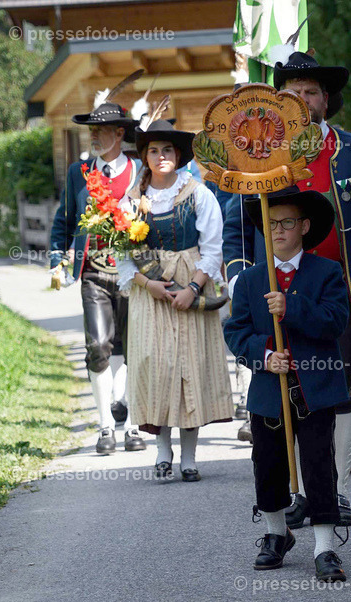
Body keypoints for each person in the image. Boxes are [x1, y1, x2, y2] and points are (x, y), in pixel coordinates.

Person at [223, 51, 351, 526]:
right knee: (283, 391)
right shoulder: (260, 153)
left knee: (339, 392)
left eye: (311, 92)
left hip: (339, 294)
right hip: (273, 291)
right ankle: (297, 492)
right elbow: (237, 224)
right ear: (278, 101)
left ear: (326, 100)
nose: (303, 100)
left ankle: (335, 490)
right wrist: (240, 274)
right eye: (293, 93)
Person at [223, 187, 349, 582]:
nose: (278, 230)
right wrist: (264, 356)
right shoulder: (249, 279)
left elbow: (335, 321)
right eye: (271, 223)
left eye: (287, 222)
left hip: (315, 389)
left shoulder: (327, 272)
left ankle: (325, 546)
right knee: (268, 463)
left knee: (318, 464)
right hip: (269, 390)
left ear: (305, 226)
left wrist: (290, 306)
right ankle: (277, 533)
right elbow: (236, 331)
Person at [117, 119, 232, 482]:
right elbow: (121, 256)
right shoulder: (130, 201)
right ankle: (162, 448)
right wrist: (147, 284)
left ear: (179, 155)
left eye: (167, 149)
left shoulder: (198, 194)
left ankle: (190, 456)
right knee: (158, 366)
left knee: (189, 367)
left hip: (191, 281)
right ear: (145, 157)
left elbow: (213, 248)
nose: (161, 156)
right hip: (150, 293)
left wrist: (193, 288)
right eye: (153, 150)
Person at [48, 97, 147, 455]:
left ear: (119, 133)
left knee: (133, 347)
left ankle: (132, 424)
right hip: (93, 271)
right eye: (91, 130)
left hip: (134, 274)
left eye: (102, 130)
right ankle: (106, 426)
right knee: (98, 346)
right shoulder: (79, 172)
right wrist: (56, 258)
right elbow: (64, 219)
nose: (94, 136)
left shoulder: (139, 170)